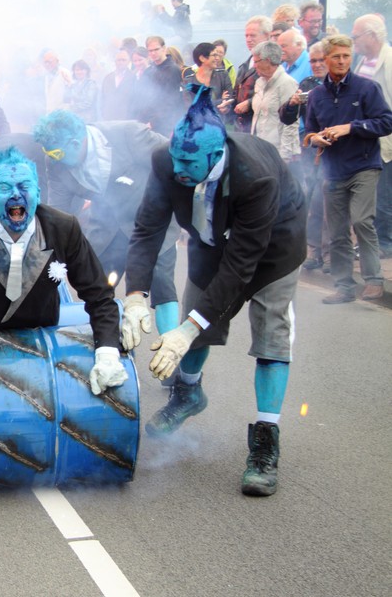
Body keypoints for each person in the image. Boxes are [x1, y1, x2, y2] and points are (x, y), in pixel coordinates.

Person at [123, 88, 308, 497]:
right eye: (177, 159)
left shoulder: (254, 175)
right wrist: (135, 295)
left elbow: (242, 266)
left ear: (217, 152)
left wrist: (187, 328)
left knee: (270, 335)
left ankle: (265, 438)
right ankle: (189, 393)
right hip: (210, 237)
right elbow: (148, 229)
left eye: (190, 163)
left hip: (273, 246)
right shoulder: (165, 161)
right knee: (198, 321)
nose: (179, 170)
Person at [0, 147, 128, 406]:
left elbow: (100, 297)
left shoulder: (64, 228)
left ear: (38, 193)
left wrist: (108, 353)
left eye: (24, 185)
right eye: (4, 188)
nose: (15, 194)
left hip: (40, 336)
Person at [33, 109, 181, 342]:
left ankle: (173, 350)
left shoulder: (128, 134)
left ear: (75, 142)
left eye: (57, 152)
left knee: (161, 281)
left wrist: (173, 204)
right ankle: (103, 343)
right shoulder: (56, 162)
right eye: (48, 153)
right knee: (96, 283)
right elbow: (58, 212)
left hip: (153, 221)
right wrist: (47, 254)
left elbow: (176, 161)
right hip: (107, 225)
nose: (54, 158)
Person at [305, 35, 392, 303]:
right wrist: (314, 139)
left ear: (351, 57)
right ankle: (344, 286)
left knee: (362, 220)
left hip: (364, 165)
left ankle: (374, 280)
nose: (341, 61)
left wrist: (351, 127)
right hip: (332, 170)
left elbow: (386, 122)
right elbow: (308, 131)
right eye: (336, 57)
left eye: (346, 56)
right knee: (338, 229)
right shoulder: (317, 95)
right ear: (326, 59)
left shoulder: (367, 88)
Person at [280, 43, 329, 271]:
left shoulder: (343, 85)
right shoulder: (307, 85)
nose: (318, 65)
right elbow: (289, 118)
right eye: (314, 61)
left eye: (322, 60)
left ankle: (329, 254)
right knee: (310, 197)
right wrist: (291, 104)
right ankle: (312, 250)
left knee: (327, 200)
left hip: (336, 150)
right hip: (310, 148)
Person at [351, 14, 392, 259]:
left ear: (372, 36)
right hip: (365, 138)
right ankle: (372, 242)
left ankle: (384, 243)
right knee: (371, 196)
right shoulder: (362, 61)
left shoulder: (389, 61)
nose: (354, 40)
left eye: (357, 36)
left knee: (383, 195)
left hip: (385, 139)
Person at [250, 41, 300, 162]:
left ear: (267, 60)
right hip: (261, 150)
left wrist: (284, 156)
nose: (254, 66)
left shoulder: (287, 83)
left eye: (256, 61)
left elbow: (291, 123)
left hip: (278, 152)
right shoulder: (259, 83)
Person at [136, 36, 184, 136]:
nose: (153, 53)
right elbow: (143, 98)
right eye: (150, 51)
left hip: (165, 125)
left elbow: (171, 101)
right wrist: (140, 120)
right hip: (148, 123)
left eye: (156, 49)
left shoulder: (173, 70)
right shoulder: (149, 71)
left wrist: (153, 122)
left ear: (164, 49)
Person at [234, 16, 272, 133]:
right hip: (242, 126)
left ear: (267, 36)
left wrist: (250, 103)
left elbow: (273, 93)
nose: (249, 39)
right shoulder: (245, 65)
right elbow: (237, 92)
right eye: (246, 36)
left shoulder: (272, 63)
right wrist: (228, 103)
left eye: (253, 35)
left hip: (261, 127)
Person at [182, 42, 234, 119]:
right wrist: (219, 101)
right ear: (202, 58)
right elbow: (190, 108)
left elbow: (229, 99)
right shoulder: (189, 81)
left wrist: (226, 106)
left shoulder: (223, 75)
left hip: (218, 124)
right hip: (198, 126)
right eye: (214, 55)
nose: (217, 58)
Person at [100, 49, 136, 121]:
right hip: (109, 119)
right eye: (119, 60)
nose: (121, 62)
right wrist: (103, 114)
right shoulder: (108, 78)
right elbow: (102, 98)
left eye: (123, 60)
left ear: (128, 61)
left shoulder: (133, 78)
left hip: (126, 119)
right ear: (115, 61)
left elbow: (135, 100)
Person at [64, 59, 98, 124]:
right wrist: (68, 85)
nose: (79, 72)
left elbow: (87, 103)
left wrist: (70, 107)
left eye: (82, 70)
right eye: (77, 70)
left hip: (87, 119)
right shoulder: (73, 84)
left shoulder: (91, 84)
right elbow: (66, 98)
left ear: (87, 71)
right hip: (75, 118)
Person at [41, 50, 72, 114]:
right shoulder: (46, 75)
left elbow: (69, 97)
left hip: (62, 113)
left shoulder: (65, 73)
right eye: (45, 62)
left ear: (57, 61)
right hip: (50, 113)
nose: (47, 64)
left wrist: (64, 111)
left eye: (50, 62)